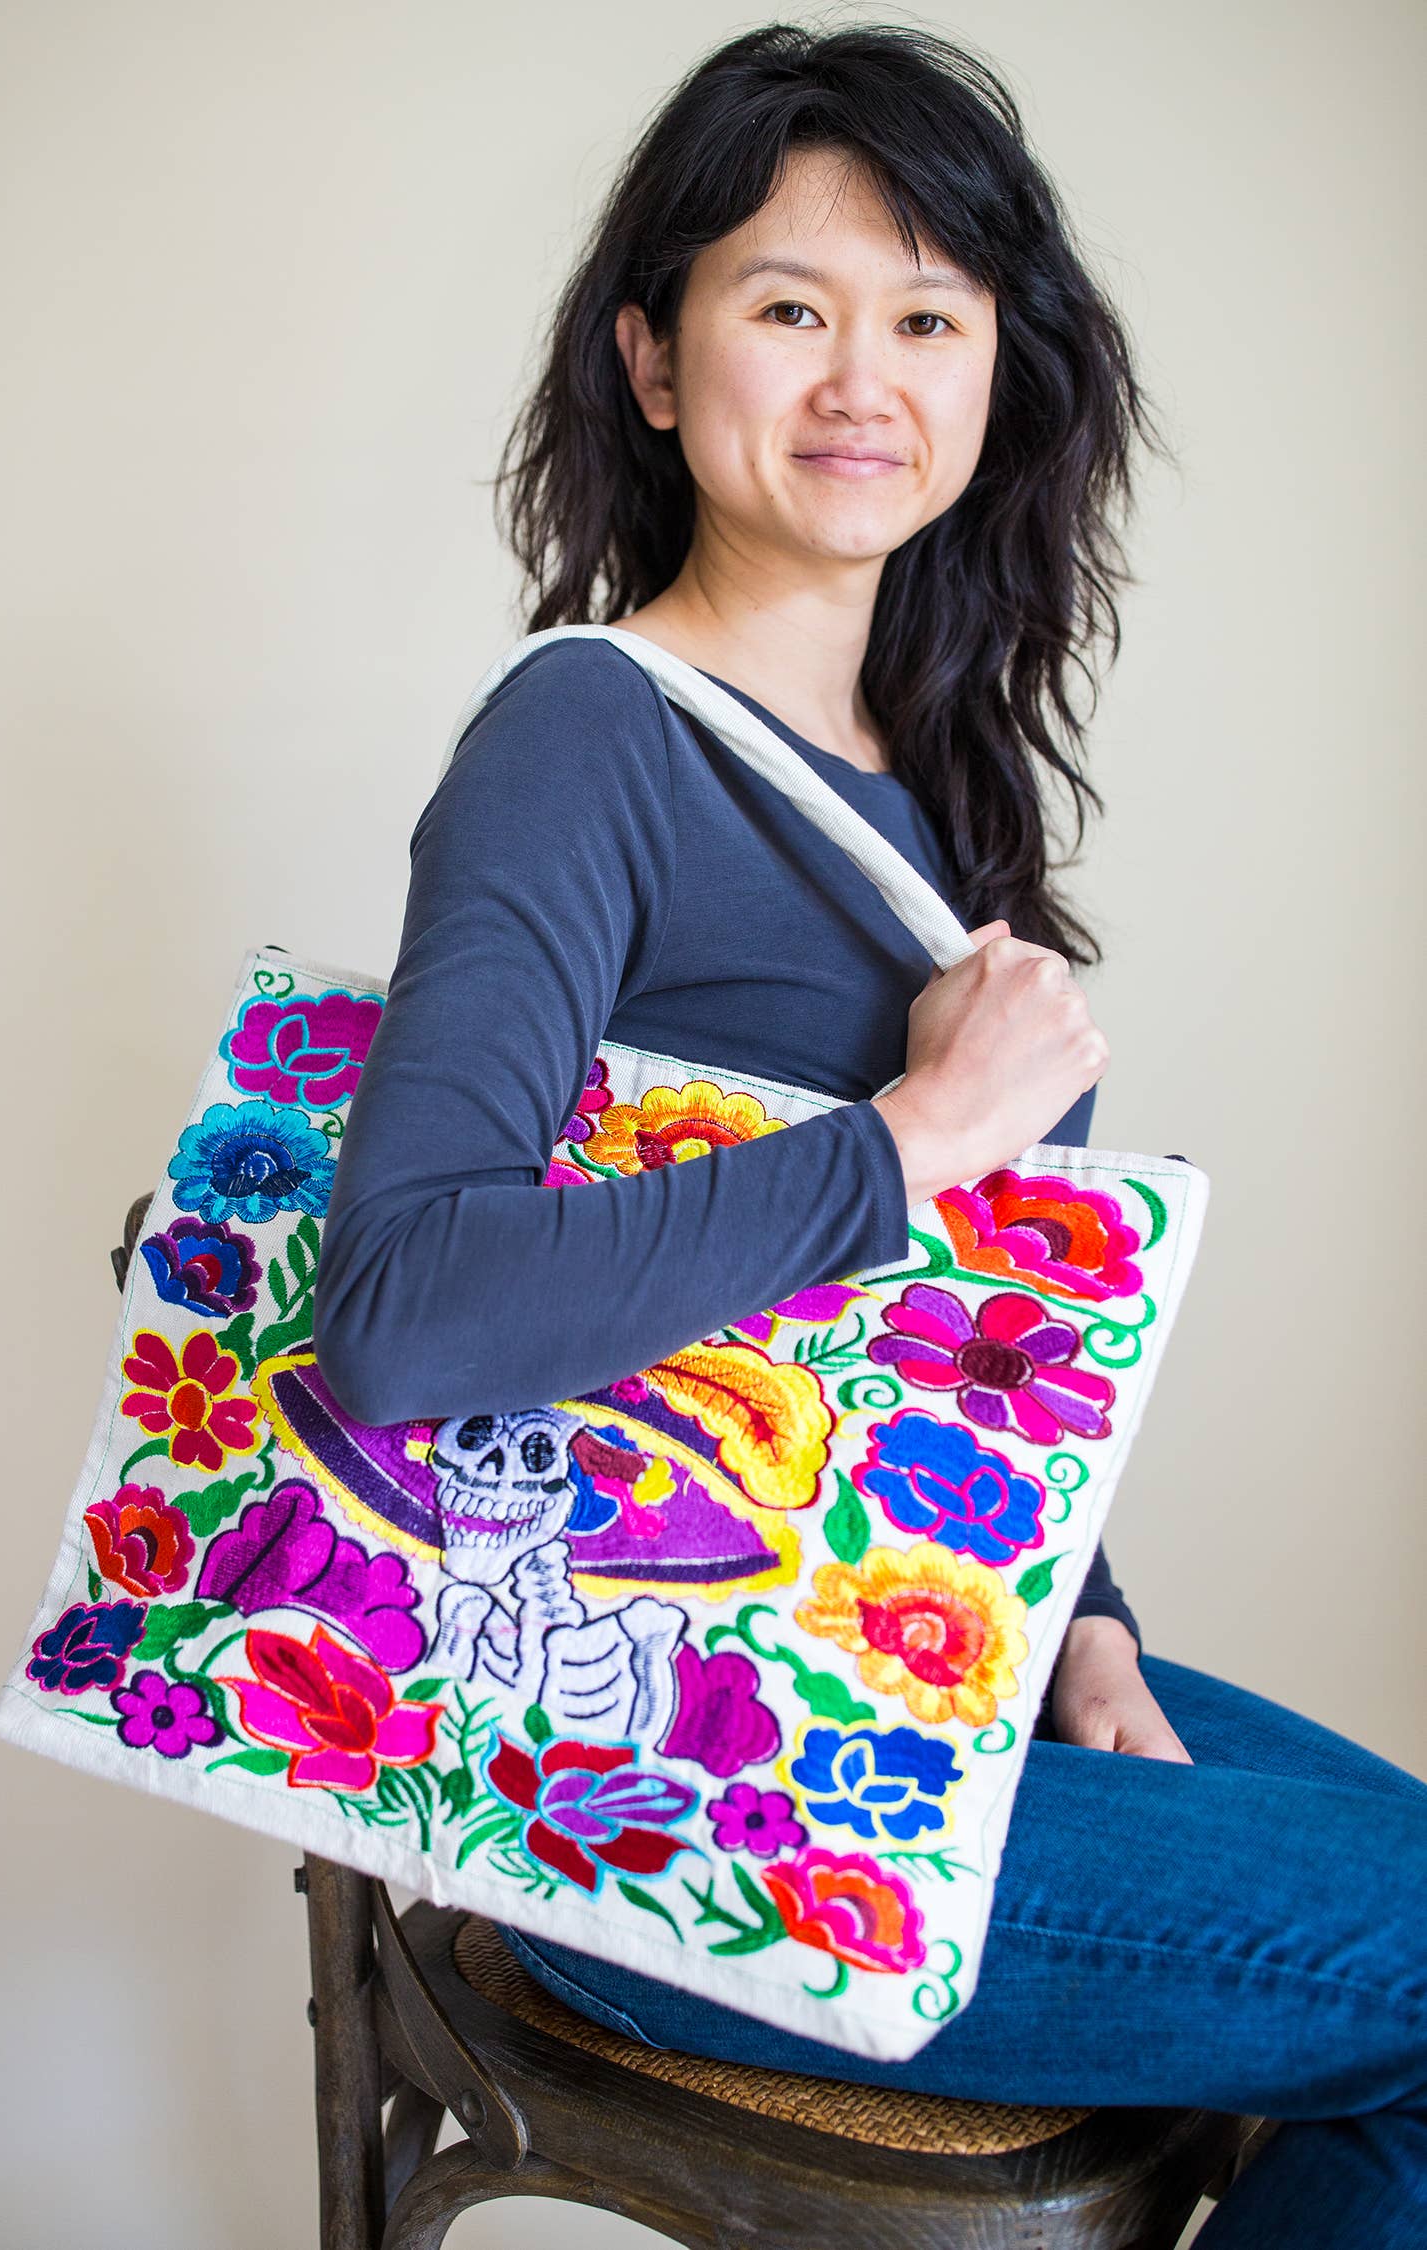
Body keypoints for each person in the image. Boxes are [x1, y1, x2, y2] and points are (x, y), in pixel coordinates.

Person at [312, 25, 1427, 2244]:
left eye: (928, 318)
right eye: (789, 304)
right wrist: (916, 1131)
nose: (863, 375)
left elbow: (953, 1335)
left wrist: (1090, 1627)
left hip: (926, 1677)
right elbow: (406, 1314)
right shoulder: (586, 736)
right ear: (651, 358)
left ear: (998, 376)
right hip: (657, 1784)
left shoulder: (918, 801)